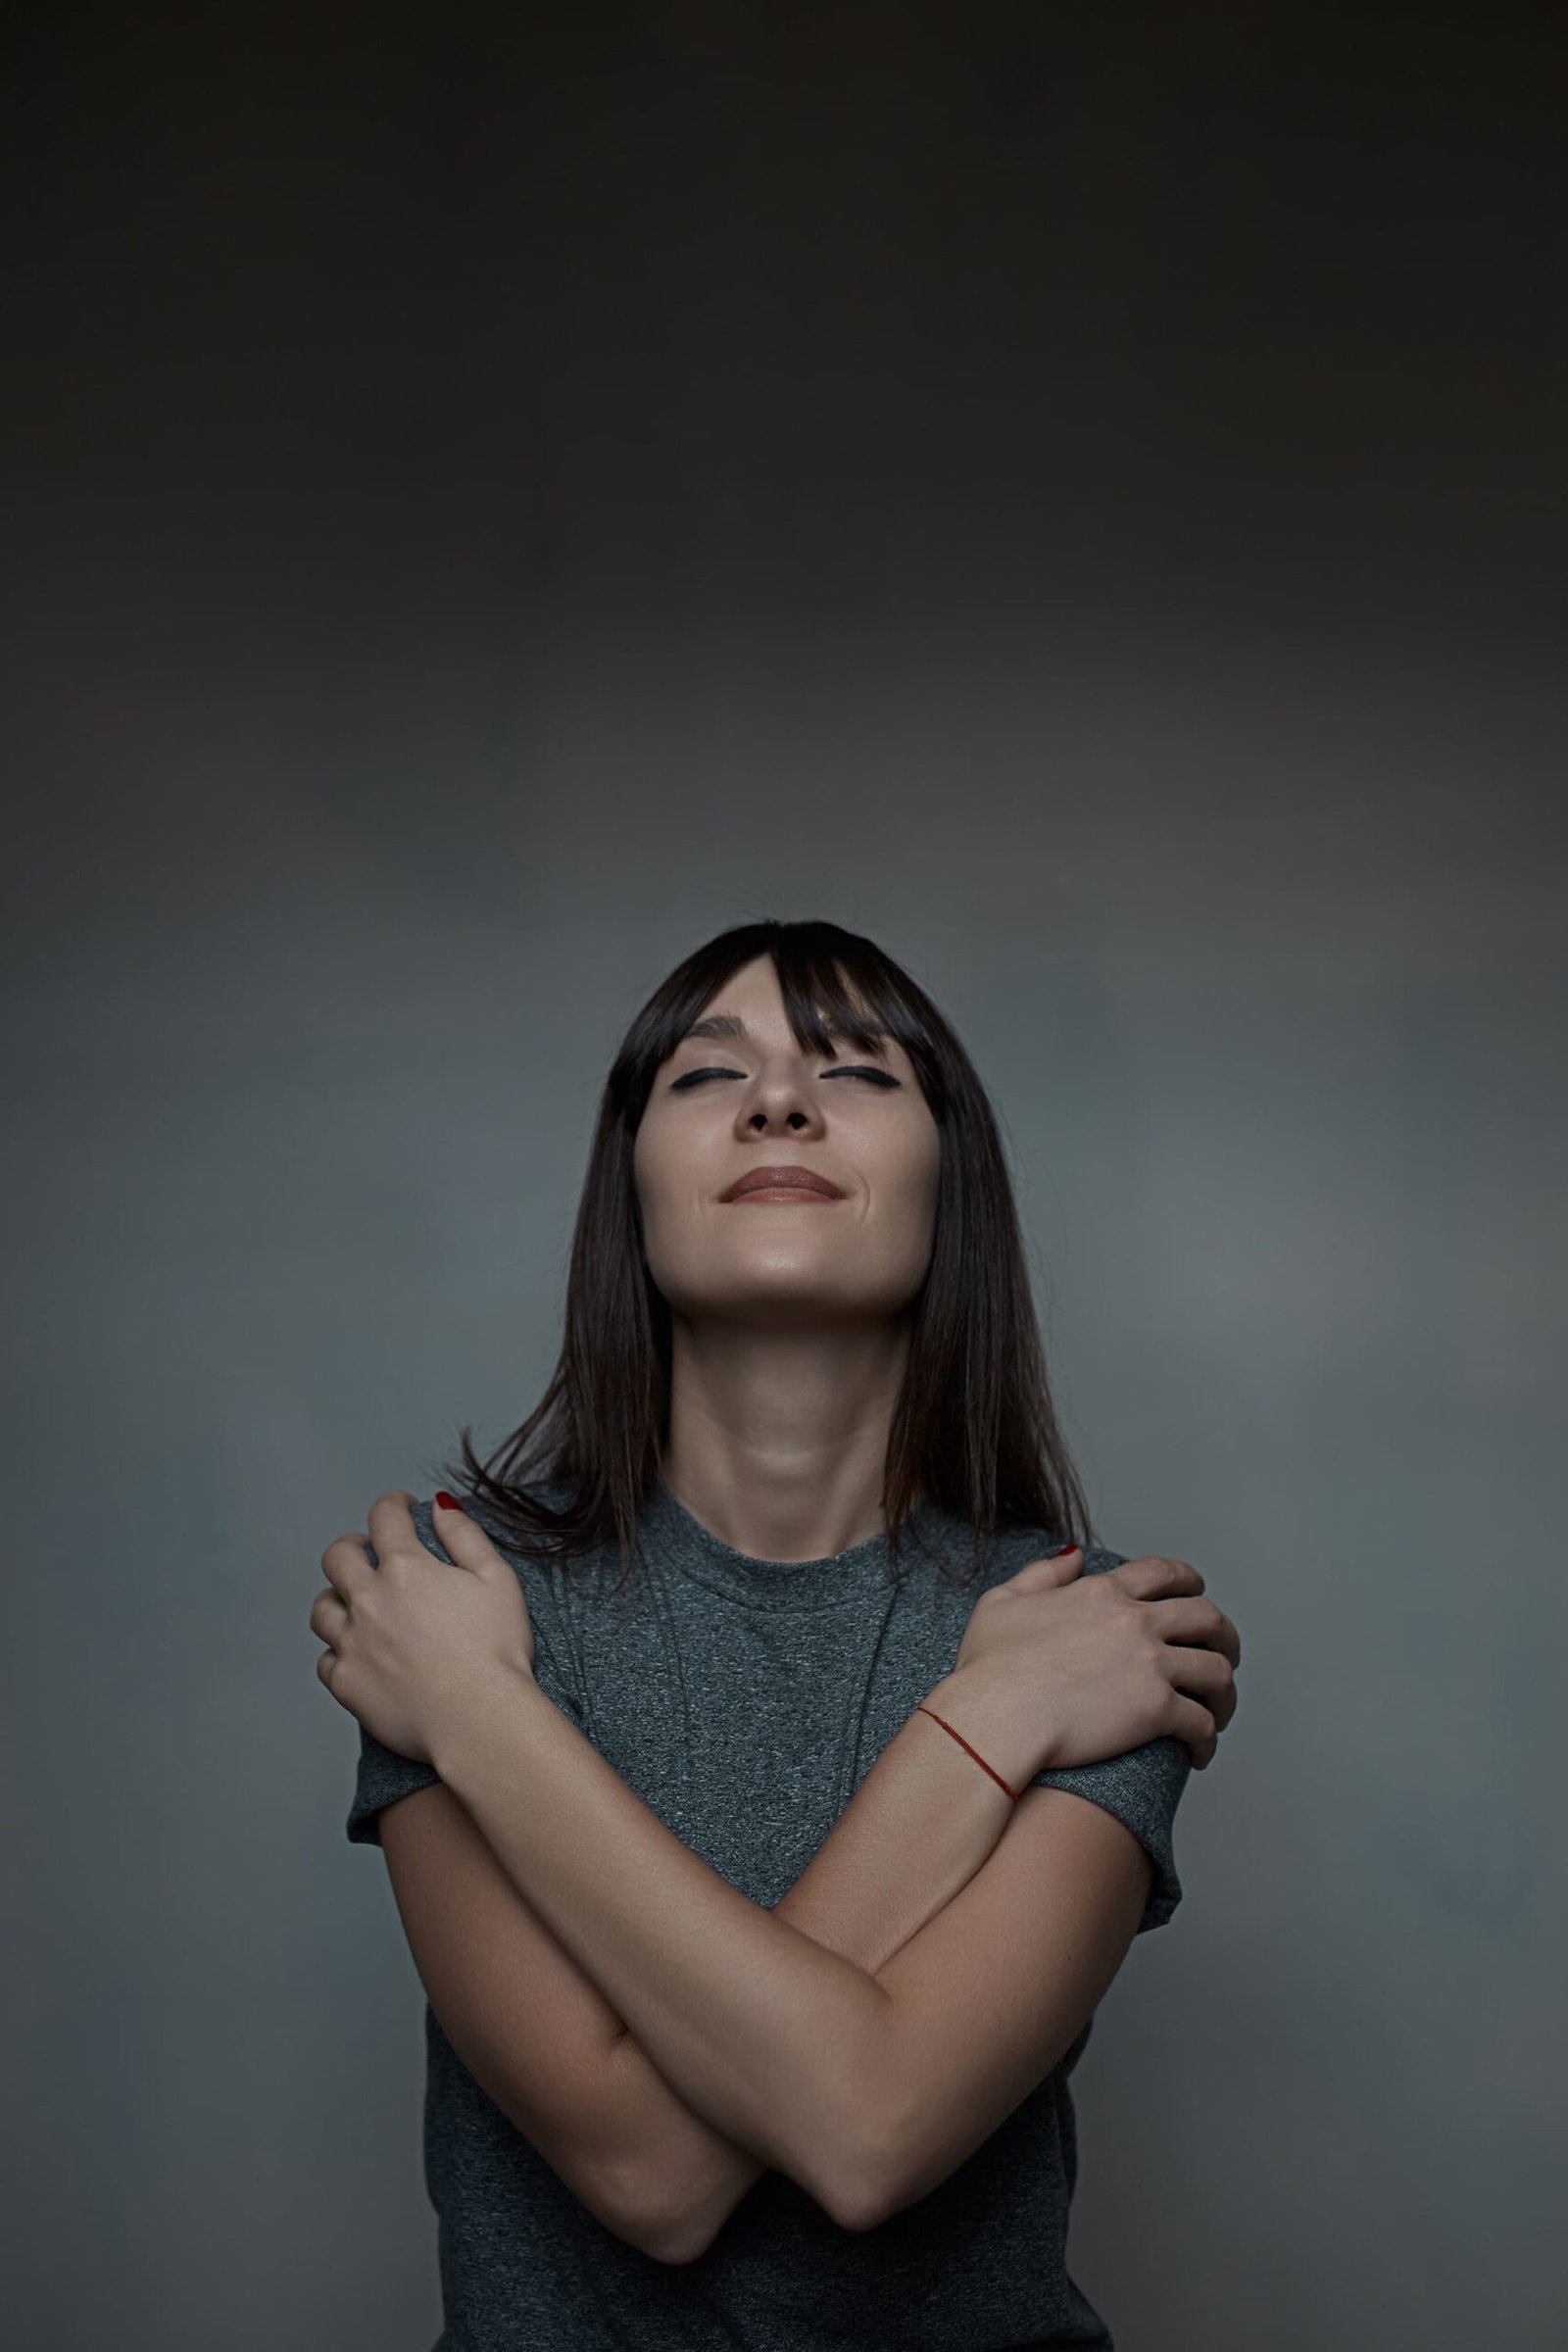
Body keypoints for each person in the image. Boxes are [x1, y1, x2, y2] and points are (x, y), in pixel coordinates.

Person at [314, 917, 1241, 2351]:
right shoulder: (448, 1607)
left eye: (858, 1071)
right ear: (631, 1190)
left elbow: (868, 2131)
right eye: (704, 1075)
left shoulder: (1086, 1635)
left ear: (953, 1184)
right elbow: (647, 2176)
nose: (779, 1101)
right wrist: (989, 1733)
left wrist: (483, 1722)